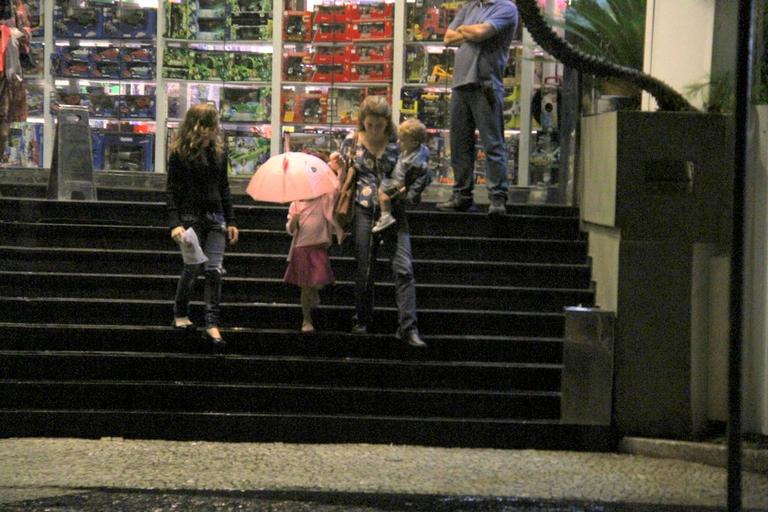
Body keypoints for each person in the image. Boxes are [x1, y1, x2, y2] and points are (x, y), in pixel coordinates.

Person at [330, 96, 431, 348]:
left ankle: (408, 327)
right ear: (363, 123)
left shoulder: (399, 144)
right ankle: (362, 319)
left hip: (394, 210)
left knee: (404, 268)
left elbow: (418, 170)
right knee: (364, 267)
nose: (374, 130)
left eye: (379, 125)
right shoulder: (352, 142)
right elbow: (340, 177)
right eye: (370, 125)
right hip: (363, 208)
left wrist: (410, 190)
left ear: (388, 124)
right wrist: (337, 166)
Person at [165, 103, 239, 349]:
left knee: (214, 269)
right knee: (192, 267)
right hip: (190, 218)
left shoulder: (218, 152)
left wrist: (231, 220)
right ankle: (180, 312)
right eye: (209, 126)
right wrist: (175, 222)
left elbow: (224, 187)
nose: (212, 131)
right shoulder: (180, 154)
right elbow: (172, 190)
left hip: (215, 216)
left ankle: (211, 323)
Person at [436, 0, 519, 215]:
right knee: (459, 144)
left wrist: (464, 30)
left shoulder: (506, 8)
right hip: (460, 84)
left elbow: (482, 32)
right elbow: (447, 38)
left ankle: (497, 198)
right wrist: (470, 32)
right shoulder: (470, 7)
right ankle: (461, 196)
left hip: (486, 84)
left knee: (493, 143)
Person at [283, 187, 344, 334]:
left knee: (319, 281)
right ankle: (306, 319)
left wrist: (341, 171)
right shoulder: (296, 204)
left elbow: (335, 192)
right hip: (301, 247)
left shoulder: (322, 200)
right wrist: (294, 220)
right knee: (305, 286)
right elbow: (289, 229)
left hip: (318, 247)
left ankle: (315, 292)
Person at [372, 118, 431, 234]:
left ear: (414, 143)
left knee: (381, 194)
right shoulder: (409, 152)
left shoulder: (416, 161)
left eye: (402, 140)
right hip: (398, 182)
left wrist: (410, 193)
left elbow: (423, 177)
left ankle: (386, 216)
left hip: (398, 184)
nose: (398, 142)